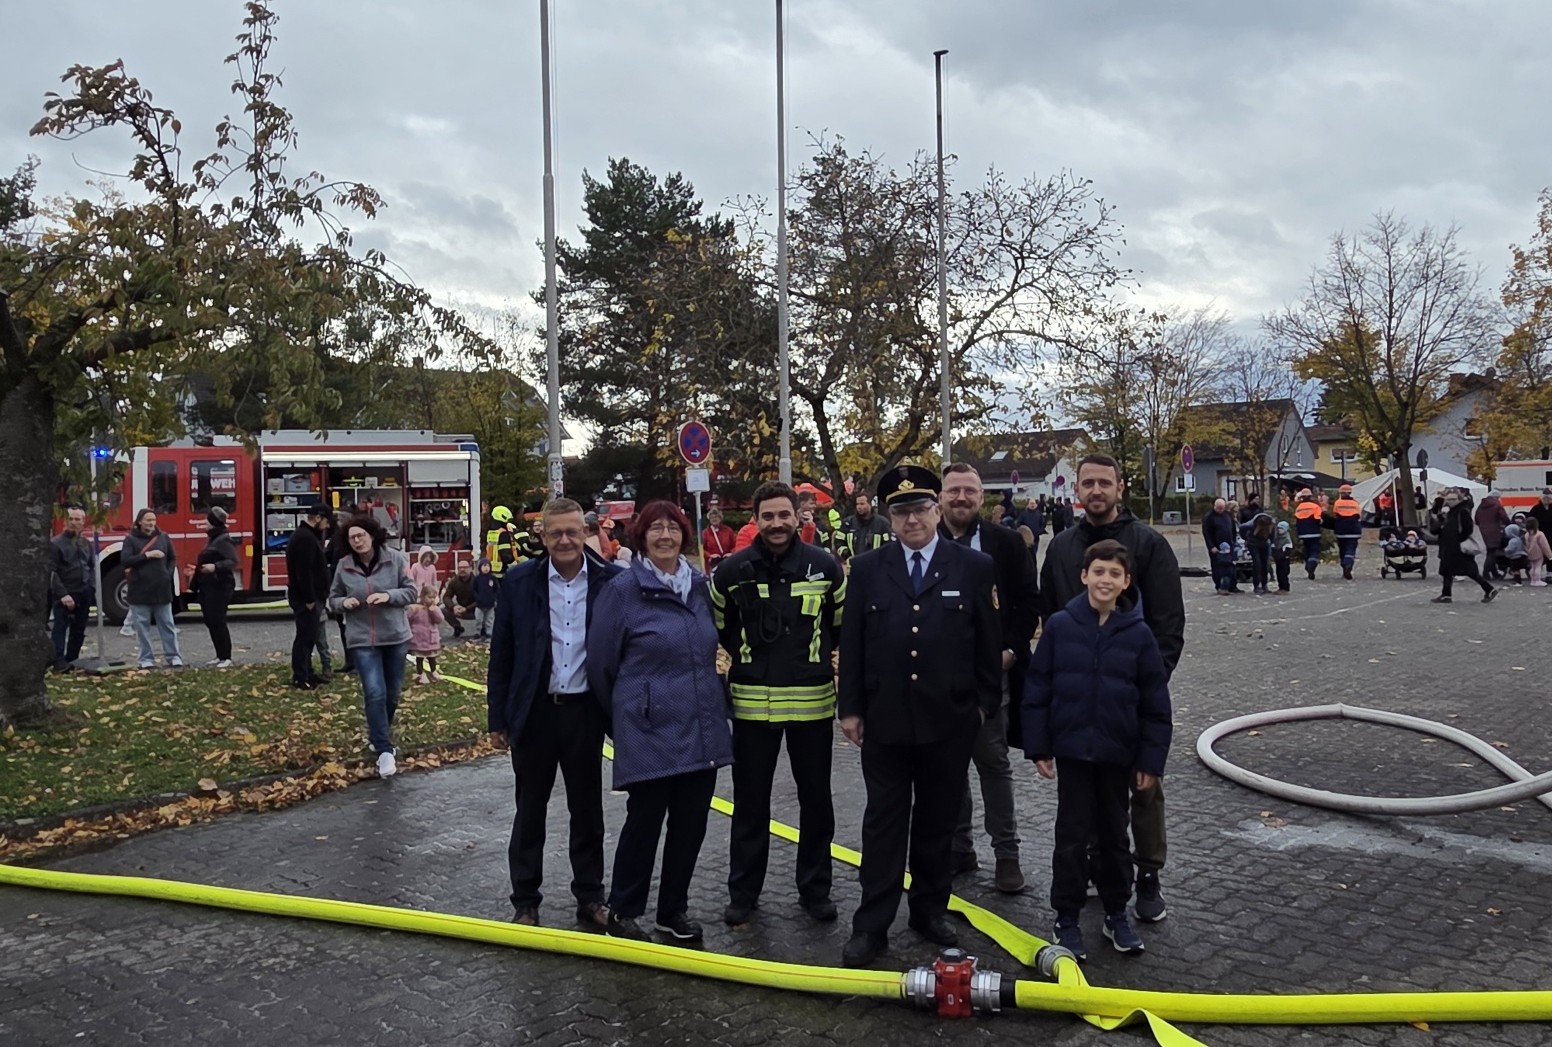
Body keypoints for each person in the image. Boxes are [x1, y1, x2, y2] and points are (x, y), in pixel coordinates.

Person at [837, 465, 1000, 968]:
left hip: (947, 720)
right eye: (901, 511)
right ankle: (872, 923)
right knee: (883, 823)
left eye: (920, 509)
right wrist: (851, 708)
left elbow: (988, 645)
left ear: (936, 511)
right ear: (889, 518)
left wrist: (981, 707)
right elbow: (855, 643)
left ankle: (929, 909)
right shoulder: (867, 569)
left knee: (936, 822)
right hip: (885, 720)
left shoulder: (972, 567)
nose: (912, 519)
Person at [1038, 453, 1182, 925]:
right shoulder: (1060, 549)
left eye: (1105, 483)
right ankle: (1100, 873)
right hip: (1079, 703)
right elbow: (1051, 621)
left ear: (1120, 488)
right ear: (1075, 490)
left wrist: (1141, 684)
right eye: (1087, 483)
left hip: (1131, 699)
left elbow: (1167, 626)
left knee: (1143, 791)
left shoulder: (1149, 545)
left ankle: (1148, 877)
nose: (1096, 491)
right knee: (1086, 801)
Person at [589, 500, 731, 943]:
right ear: (642, 537)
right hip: (648, 727)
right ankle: (624, 909)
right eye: (656, 529)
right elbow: (601, 664)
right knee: (645, 822)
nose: (665, 536)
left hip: (701, 725)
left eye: (673, 528)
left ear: (684, 535)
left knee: (690, 825)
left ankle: (674, 911)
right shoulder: (622, 591)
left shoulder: (701, 587)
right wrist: (628, 716)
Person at [1024, 539, 1172, 959]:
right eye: (1099, 571)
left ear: (1126, 582)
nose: (1105, 579)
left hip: (1117, 754)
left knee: (1114, 838)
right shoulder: (1060, 626)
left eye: (1115, 573)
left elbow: (1155, 704)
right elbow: (1038, 688)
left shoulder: (1139, 635)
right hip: (1072, 753)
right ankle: (1066, 918)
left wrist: (1149, 759)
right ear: (1084, 576)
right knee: (1070, 838)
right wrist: (1039, 746)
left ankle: (1116, 913)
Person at [712, 481, 845, 927]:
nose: (776, 524)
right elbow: (715, 627)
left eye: (783, 515)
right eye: (767, 516)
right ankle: (743, 894)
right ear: (756, 520)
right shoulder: (731, 572)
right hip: (752, 707)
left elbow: (842, 626)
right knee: (750, 804)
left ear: (798, 516)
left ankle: (815, 891)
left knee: (816, 803)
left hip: (811, 705)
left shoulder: (825, 568)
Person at [487, 497, 622, 929]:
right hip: (535, 712)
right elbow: (502, 654)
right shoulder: (519, 581)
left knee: (588, 812)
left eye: (572, 531)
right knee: (530, 811)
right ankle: (525, 899)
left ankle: (590, 896)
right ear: (542, 536)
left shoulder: (611, 582)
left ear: (586, 532)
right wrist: (498, 718)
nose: (564, 540)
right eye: (555, 532)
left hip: (585, 712)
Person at [939, 464, 1041, 894]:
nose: (961, 498)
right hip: (939, 680)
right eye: (953, 491)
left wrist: (1011, 651)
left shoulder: (1005, 543)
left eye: (969, 490)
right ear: (940, 496)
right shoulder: (923, 543)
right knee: (948, 767)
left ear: (982, 497)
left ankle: (1007, 856)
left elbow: (1026, 601)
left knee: (992, 763)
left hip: (990, 678)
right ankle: (959, 849)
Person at [327, 514, 418, 777]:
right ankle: (384, 749)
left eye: (360, 536)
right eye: (351, 538)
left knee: (391, 694)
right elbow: (333, 599)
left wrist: (388, 596)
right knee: (374, 692)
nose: (357, 541)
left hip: (395, 637)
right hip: (361, 639)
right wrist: (344, 603)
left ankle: (379, 734)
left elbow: (411, 592)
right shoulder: (344, 565)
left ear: (372, 535)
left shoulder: (396, 559)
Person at [122, 508, 182, 670]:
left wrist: (167, 574)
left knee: (168, 625)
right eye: (148, 520)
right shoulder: (130, 540)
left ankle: (173, 656)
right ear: (140, 521)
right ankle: (146, 659)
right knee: (142, 628)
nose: (151, 523)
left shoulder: (163, 538)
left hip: (161, 590)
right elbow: (126, 560)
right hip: (139, 590)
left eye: (153, 520)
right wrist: (148, 555)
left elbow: (172, 558)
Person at [285, 506, 331, 690]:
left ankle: (308, 673)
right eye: (327, 521)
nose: (327, 525)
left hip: (309, 596)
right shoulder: (305, 538)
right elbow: (303, 572)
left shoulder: (305, 535)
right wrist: (310, 598)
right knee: (305, 638)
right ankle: (300, 676)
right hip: (307, 599)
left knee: (309, 637)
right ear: (318, 518)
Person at [1430, 488, 1499, 605]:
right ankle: (1446, 594)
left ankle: (1489, 589)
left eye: (1453, 499)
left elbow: (1467, 529)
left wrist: (1458, 539)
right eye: (1449, 499)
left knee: (1470, 571)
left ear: (1459, 499)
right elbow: (1437, 528)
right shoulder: (1449, 513)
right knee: (1447, 571)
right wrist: (1440, 520)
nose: (1450, 501)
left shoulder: (1462, 511)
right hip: (1448, 547)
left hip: (1458, 549)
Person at [48, 506, 95, 672]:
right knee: (60, 628)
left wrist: (92, 587)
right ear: (65, 521)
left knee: (79, 629)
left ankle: (73, 660)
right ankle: (59, 662)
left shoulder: (86, 544)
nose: (74, 522)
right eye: (71, 519)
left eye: (78, 519)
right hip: (65, 593)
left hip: (84, 592)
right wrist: (63, 594)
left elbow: (91, 567)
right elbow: (51, 571)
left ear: (83, 522)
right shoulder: (55, 544)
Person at [192, 506, 238, 667]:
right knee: (210, 620)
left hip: (220, 585)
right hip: (208, 585)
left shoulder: (223, 539)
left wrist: (215, 567)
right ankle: (219, 655)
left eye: (207, 519)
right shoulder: (213, 538)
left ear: (213, 522)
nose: (204, 522)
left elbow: (232, 561)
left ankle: (226, 657)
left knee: (217, 620)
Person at [325, 504, 357, 674]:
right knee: (342, 626)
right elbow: (327, 555)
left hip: (353, 586)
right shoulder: (337, 537)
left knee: (356, 626)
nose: (338, 522)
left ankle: (358, 662)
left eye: (341, 519)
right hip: (338, 586)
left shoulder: (356, 538)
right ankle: (349, 661)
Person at [1201, 498, 1240, 594]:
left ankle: (1232, 586)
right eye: (1219, 508)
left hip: (1229, 545)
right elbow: (1207, 533)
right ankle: (1219, 586)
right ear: (1214, 506)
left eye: (1222, 508)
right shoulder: (1209, 517)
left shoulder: (1228, 515)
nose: (1220, 511)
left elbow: (1233, 529)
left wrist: (1233, 542)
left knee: (1231, 566)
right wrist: (1211, 546)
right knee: (1217, 567)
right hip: (1216, 547)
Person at [407, 585, 445, 683]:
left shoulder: (434, 608)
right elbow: (407, 619)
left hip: (430, 638)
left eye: (434, 597)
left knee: (432, 657)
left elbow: (439, 619)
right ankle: (421, 674)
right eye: (429, 597)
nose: (432, 600)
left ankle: (433, 671)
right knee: (419, 658)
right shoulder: (415, 608)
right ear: (423, 597)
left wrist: (434, 610)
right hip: (418, 637)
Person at [1328, 484, 1363, 580]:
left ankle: (1344, 565)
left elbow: (1336, 514)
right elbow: (1358, 516)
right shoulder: (1355, 503)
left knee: (1342, 549)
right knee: (1351, 549)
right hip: (1353, 529)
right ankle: (1348, 564)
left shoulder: (1338, 503)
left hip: (1341, 530)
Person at [843, 490, 893, 555]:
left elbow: (889, 545)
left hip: (875, 563)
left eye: (862, 504)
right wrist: (846, 555)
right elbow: (839, 541)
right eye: (857, 504)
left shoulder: (882, 523)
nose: (859, 507)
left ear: (870, 504)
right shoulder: (848, 523)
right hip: (854, 563)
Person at [1474, 493, 1511, 580]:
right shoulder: (1497, 505)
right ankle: (1485, 572)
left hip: (1482, 532)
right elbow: (1504, 518)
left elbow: (1476, 518)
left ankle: (1494, 573)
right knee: (1492, 553)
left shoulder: (1481, 505)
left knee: (1489, 552)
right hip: (1494, 532)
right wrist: (1510, 524)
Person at [1240, 510, 1275, 595]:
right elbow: (1242, 528)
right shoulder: (1251, 525)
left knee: (1265, 564)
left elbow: (1273, 536)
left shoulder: (1271, 524)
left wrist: (1272, 543)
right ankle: (1257, 585)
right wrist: (1246, 539)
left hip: (1265, 544)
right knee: (1257, 563)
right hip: (1253, 543)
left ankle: (1264, 584)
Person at [1293, 488, 1324, 580]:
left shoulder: (1299, 507)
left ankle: (1308, 564)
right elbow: (1318, 519)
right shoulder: (1315, 507)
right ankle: (1311, 563)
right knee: (1314, 550)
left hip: (1303, 533)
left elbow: (1297, 520)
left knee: (1306, 549)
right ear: (1310, 496)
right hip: (1314, 532)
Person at [441, 559, 476, 637]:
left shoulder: (477, 580)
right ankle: (457, 627)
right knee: (443, 609)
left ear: (470, 568)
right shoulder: (454, 581)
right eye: (460, 568)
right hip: (460, 609)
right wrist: (453, 607)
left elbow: (481, 599)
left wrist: (467, 608)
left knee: (489, 606)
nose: (462, 569)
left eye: (465, 567)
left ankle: (484, 629)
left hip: (476, 610)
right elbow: (446, 597)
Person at [486, 506, 521, 576]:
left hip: (492, 570)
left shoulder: (492, 533)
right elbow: (506, 556)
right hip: (504, 572)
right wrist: (516, 566)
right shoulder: (503, 534)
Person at [701, 507, 736, 575]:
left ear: (720, 518)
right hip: (713, 564)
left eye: (716, 517)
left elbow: (735, 545)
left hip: (727, 562)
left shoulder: (728, 531)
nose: (714, 519)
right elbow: (702, 549)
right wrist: (710, 556)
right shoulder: (705, 533)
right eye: (712, 517)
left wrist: (731, 554)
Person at [472, 557, 500, 638]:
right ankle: (477, 632)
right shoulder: (477, 579)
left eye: (488, 566)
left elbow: (497, 589)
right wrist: (477, 598)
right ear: (480, 567)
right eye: (484, 566)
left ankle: (489, 632)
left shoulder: (492, 578)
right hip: (479, 604)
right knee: (478, 620)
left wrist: (494, 598)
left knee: (489, 620)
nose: (486, 568)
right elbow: (474, 590)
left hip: (490, 604)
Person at [1523, 516, 1551, 586]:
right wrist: (1549, 555)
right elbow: (1545, 546)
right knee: (1538, 566)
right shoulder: (1540, 534)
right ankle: (1537, 580)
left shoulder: (1526, 534)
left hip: (1530, 553)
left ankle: (1532, 580)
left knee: (1533, 566)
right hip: (1538, 553)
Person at [1272, 521, 1294, 594]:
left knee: (1283, 574)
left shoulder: (1286, 539)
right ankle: (1280, 587)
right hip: (1278, 559)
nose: (1279, 530)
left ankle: (1285, 588)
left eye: (1281, 529)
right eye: (1278, 528)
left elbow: (1288, 550)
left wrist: (1283, 556)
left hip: (1284, 559)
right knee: (1278, 573)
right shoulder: (1277, 538)